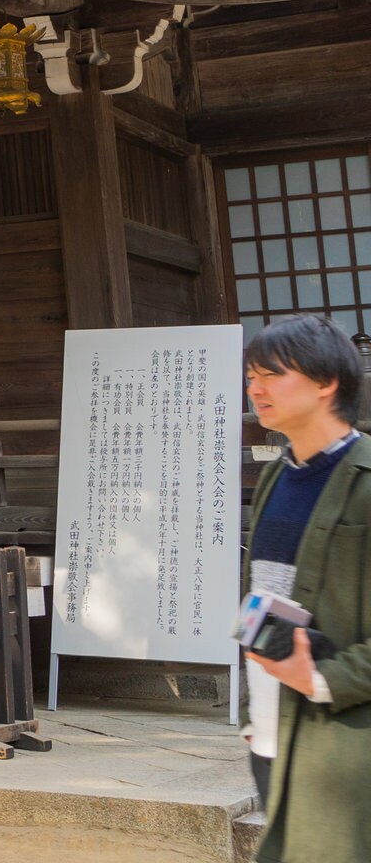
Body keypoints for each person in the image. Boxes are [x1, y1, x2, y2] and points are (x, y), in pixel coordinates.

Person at [242, 314, 371, 863]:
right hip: (272, 733)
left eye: (272, 373)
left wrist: (319, 678)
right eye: (251, 375)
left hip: (344, 743)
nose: (256, 388)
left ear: (327, 383)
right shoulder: (277, 473)